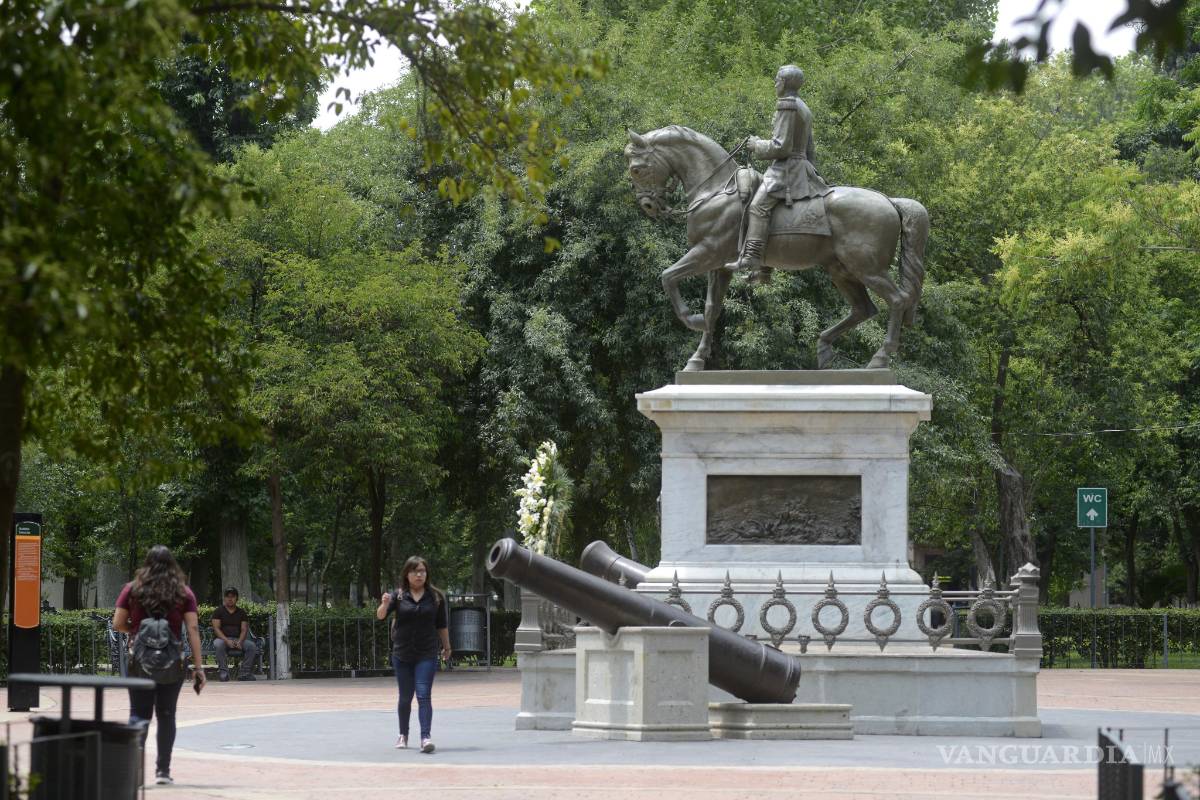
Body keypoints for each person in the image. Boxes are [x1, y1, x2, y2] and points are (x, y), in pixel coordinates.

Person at [726, 64, 833, 284]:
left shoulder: (787, 105)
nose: (775, 83)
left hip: (786, 170)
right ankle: (764, 271)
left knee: (758, 206)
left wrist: (756, 145)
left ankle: (752, 259)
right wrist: (811, 171)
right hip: (801, 167)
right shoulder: (803, 107)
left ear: (784, 83)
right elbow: (810, 148)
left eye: (777, 79)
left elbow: (781, 147)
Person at [113, 544, 206, 786]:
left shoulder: (131, 589)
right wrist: (199, 667)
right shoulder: (184, 593)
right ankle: (162, 771)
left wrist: (134, 632)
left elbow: (117, 623)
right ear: (172, 565)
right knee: (166, 714)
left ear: (146, 564)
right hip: (171, 662)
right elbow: (193, 629)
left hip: (139, 661)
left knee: (138, 714)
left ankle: (135, 773)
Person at [375, 556, 451, 754]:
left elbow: (441, 625)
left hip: (426, 653)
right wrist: (384, 604)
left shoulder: (435, 597)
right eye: (415, 571)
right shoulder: (398, 596)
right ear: (407, 574)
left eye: (422, 571)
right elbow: (381, 616)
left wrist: (447, 647)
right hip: (402, 654)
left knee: (424, 695)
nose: (419, 575)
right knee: (405, 697)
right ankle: (403, 734)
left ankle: (426, 738)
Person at [211, 587, 259, 681]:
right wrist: (226, 640)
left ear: (236, 598)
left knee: (251, 646)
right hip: (222, 639)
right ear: (224, 598)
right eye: (228, 596)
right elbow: (216, 629)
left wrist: (240, 641)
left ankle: (244, 673)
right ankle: (224, 673)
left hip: (237, 639)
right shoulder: (218, 611)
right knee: (219, 645)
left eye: (233, 596)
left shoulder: (242, 613)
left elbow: (244, 629)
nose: (230, 599)